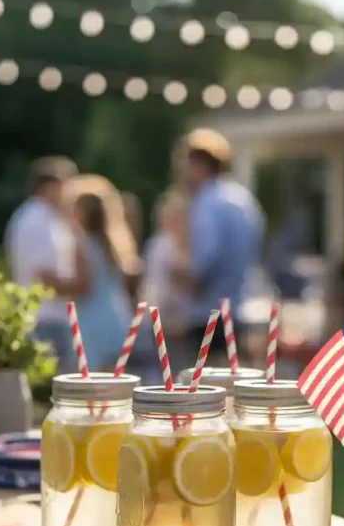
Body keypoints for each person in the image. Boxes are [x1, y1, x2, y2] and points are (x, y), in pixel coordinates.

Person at [173, 128, 264, 372]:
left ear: (200, 164)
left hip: (208, 316)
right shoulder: (242, 199)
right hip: (236, 308)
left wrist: (180, 279)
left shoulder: (208, 202)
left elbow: (204, 262)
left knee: (204, 397)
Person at [5, 157, 83, 371]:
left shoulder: (40, 217)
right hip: (46, 317)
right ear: (50, 187)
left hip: (47, 316)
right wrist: (83, 290)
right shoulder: (38, 220)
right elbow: (46, 275)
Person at [69, 191, 133, 371]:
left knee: (95, 382)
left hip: (93, 319)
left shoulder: (82, 244)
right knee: (114, 380)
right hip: (117, 315)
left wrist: (53, 284)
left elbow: (82, 286)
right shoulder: (112, 243)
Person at [139, 189, 190, 382]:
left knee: (176, 366)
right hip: (153, 314)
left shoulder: (183, 246)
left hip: (175, 318)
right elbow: (152, 282)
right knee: (156, 367)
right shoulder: (157, 244)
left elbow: (181, 285)